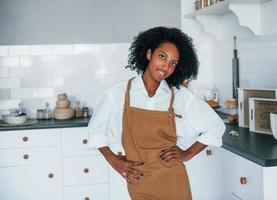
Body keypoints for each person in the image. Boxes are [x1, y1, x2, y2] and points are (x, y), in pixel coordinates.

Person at [88, 26, 225, 200]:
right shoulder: (120, 92)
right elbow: (95, 130)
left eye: (173, 63)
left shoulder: (180, 95)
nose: (166, 66)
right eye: (162, 57)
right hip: (139, 182)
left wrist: (187, 154)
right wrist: (114, 161)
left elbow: (216, 127)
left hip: (174, 181)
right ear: (149, 54)